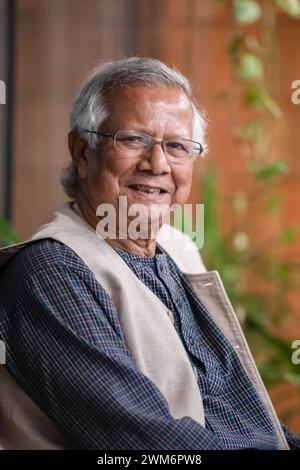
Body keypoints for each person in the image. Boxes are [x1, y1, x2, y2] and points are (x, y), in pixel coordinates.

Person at [0, 57, 299, 450]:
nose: (157, 164)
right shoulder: (53, 272)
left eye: (176, 146)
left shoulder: (178, 248)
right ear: (82, 151)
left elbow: (240, 413)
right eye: (133, 139)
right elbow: (144, 440)